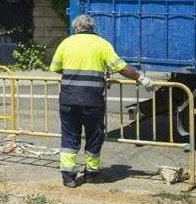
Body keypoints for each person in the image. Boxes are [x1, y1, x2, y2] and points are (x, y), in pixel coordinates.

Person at [49, 14, 153, 188]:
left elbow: (56, 68)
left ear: (76, 28)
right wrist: (141, 78)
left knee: (69, 136)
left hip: (68, 99)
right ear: (92, 28)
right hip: (92, 100)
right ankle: (91, 173)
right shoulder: (102, 44)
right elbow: (121, 67)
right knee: (94, 135)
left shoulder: (65, 43)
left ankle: (68, 177)